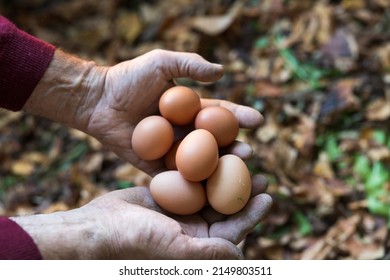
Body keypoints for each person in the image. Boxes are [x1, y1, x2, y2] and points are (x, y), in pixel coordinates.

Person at [0, 15, 272, 259]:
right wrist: (95, 235)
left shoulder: (191, 141)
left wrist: (91, 91)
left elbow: (197, 150)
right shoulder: (187, 143)